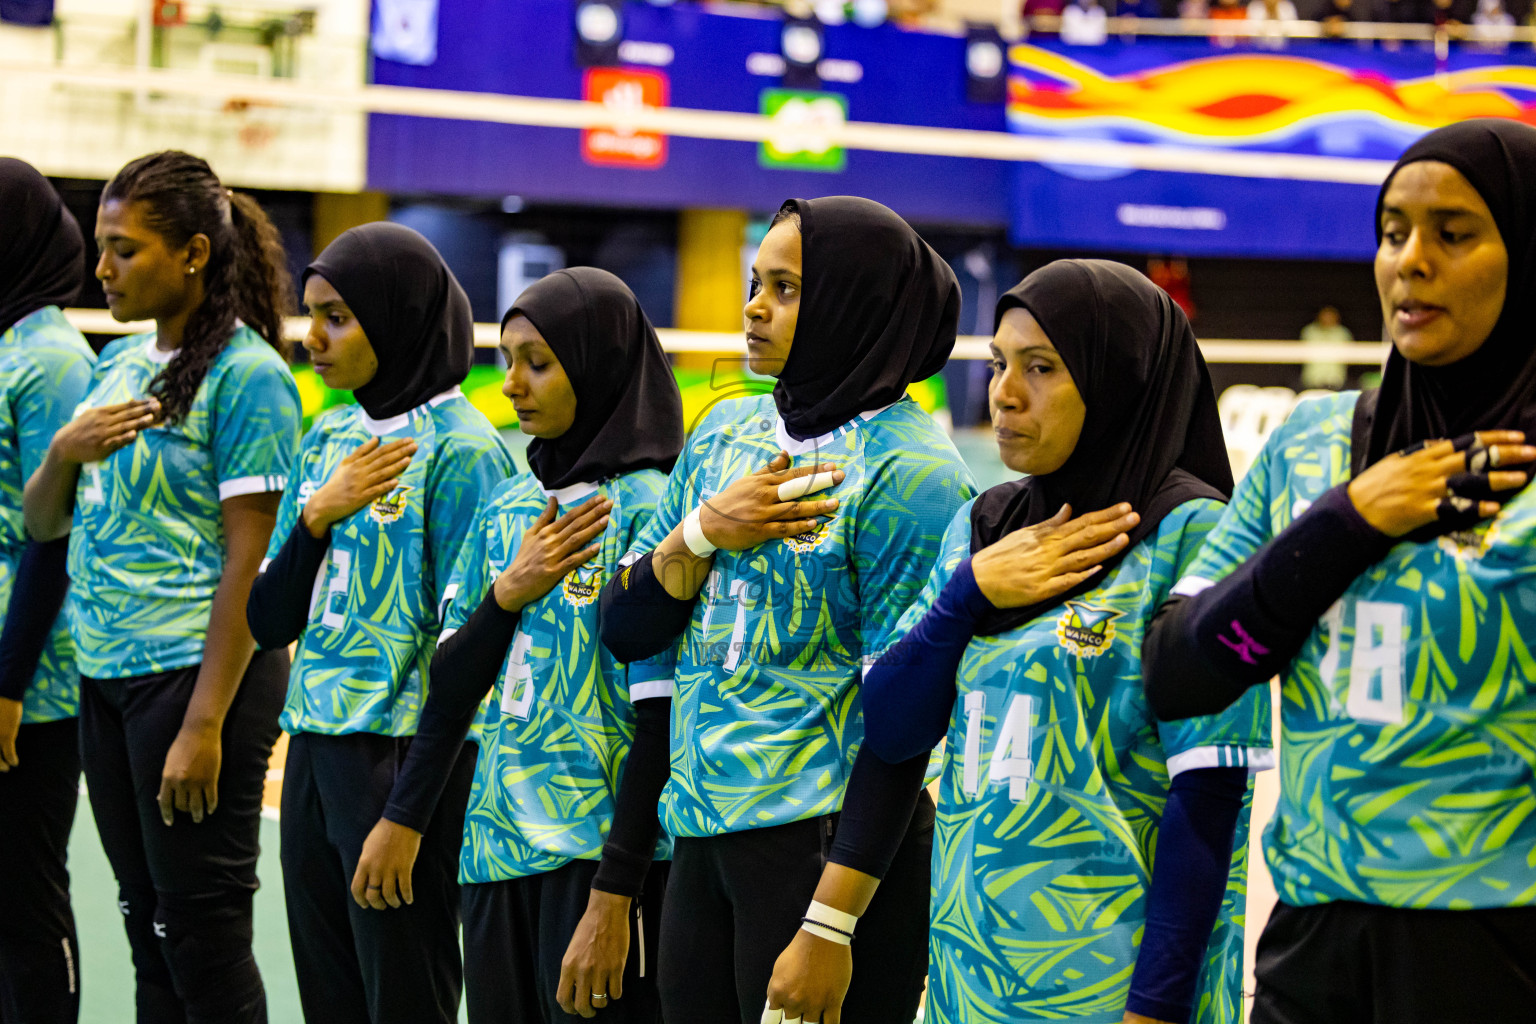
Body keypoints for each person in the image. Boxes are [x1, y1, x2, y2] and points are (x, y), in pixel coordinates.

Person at [764, 259, 1274, 1024]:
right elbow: (896, 728)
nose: (1003, 392)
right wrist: (966, 595)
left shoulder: (1193, 534)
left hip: (1115, 990)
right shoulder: (985, 526)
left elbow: (1208, 798)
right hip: (971, 981)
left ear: (1119, 379)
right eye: (999, 363)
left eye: (1041, 368)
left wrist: (1157, 1009)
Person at [1143, 119, 1536, 1022]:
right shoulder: (1315, 444)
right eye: (1393, 232)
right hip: (1312, 943)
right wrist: (1347, 523)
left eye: (1454, 232)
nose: (1411, 261)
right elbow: (1180, 669)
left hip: (1497, 945)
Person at [571, 196, 977, 1024]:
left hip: (825, 849)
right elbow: (625, 626)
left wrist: (830, 924)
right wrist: (704, 530)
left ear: (851, 304)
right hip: (702, 837)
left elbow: (903, 730)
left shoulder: (911, 475)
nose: (753, 305)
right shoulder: (726, 435)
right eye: (756, 281)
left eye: (785, 287)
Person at [347, 267, 683, 1023]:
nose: (512, 385)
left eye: (538, 362)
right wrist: (508, 593)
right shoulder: (507, 507)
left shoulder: (648, 509)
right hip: (495, 850)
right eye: (508, 361)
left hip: (598, 860)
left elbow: (659, 723)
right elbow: (453, 679)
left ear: (596, 365)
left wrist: (615, 889)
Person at [22, 150, 302, 1024]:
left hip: (193, 682)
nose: (101, 268)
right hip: (104, 680)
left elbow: (248, 562)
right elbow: (41, 525)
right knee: (145, 927)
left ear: (192, 254)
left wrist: (205, 722)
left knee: (203, 935)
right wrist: (65, 453)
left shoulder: (248, 378)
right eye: (101, 248)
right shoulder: (114, 367)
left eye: (124, 249)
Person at [243, 222, 512, 1024]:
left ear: (394, 318)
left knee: (405, 994)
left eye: (337, 317)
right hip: (315, 752)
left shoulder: (463, 452)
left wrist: (406, 814)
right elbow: (268, 620)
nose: (313, 337)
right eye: (310, 314)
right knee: (329, 998)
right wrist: (316, 518)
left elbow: (472, 658)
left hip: (405, 763)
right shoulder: (328, 434)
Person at [0, 157, 95, 1024]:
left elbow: (53, 532)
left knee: (25, 899)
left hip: (30, 686)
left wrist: (7, 683)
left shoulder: (54, 358)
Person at [1299, 305, 1355, 391]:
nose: (1327, 318)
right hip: (1312, 381)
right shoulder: (1310, 331)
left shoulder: (1343, 333)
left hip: (1336, 382)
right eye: (1325, 315)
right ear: (1319, 316)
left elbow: (1351, 357)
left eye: (1330, 315)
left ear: (1337, 317)